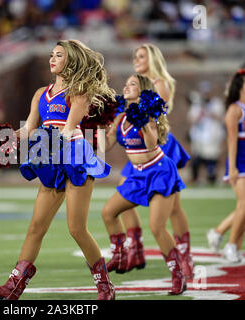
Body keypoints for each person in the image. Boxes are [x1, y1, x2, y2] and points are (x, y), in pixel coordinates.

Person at [0, 39, 116, 300]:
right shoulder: (41, 93)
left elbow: (69, 127)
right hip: (51, 152)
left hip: (74, 154)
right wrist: (5, 139)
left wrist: (49, 141)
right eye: (51, 55)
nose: (52, 59)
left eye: (59, 55)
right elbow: (29, 128)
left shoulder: (79, 91)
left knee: (76, 228)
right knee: (36, 226)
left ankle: (105, 286)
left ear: (71, 61)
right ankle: (13, 287)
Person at [111, 44, 194, 278]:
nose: (136, 59)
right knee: (125, 191)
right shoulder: (134, 83)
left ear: (153, 59)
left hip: (160, 147)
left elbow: (154, 118)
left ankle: (185, 257)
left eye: (141, 56)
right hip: (137, 147)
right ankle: (135, 248)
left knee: (174, 207)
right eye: (135, 56)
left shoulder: (159, 83)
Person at [98, 74, 187, 295]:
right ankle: (119, 256)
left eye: (132, 84)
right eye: (126, 83)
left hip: (159, 171)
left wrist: (144, 122)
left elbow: (151, 143)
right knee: (108, 212)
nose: (126, 86)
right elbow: (106, 146)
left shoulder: (149, 112)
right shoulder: (120, 116)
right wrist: (99, 124)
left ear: (143, 89)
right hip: (136, 174)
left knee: (157, 227)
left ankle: (178, 275)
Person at [210, 68, 245, 262]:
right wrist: (232, 168)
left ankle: (218, 232)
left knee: (243, 207)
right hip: (239, 163)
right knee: (244, 205)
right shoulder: (235, 109)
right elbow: (232, 141)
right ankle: (231, 246)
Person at [187, 81, 225, 185]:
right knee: (197, 159)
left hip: (212, 136)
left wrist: (208, 110)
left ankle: (211, 178)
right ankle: (195, 179)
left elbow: (220, 117)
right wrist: (200, 112)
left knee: (212, 159)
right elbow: (191, 119)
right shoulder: (197, 105)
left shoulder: (216, 103)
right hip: (199, 137)